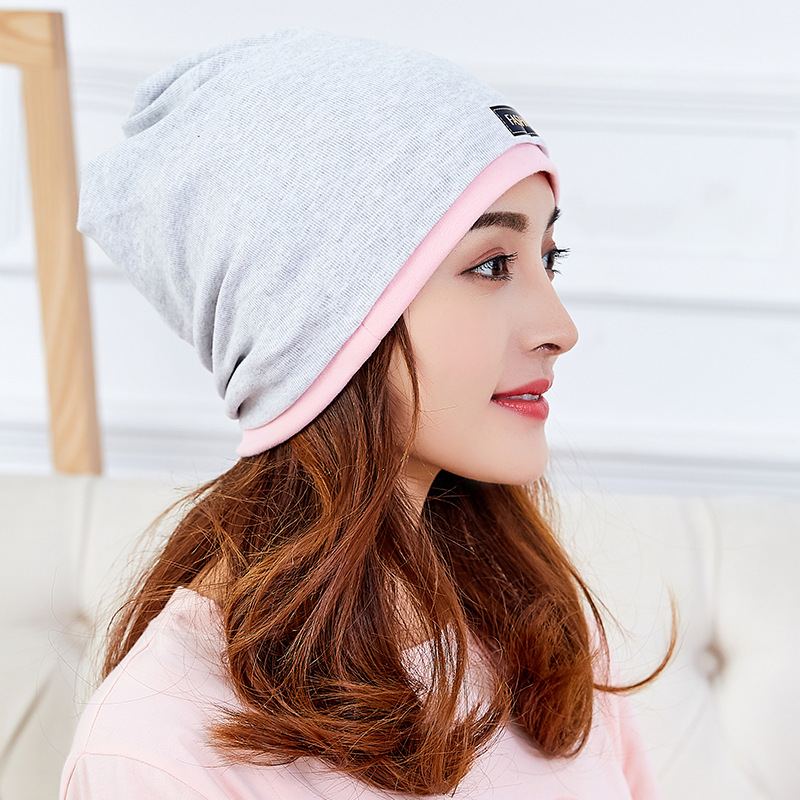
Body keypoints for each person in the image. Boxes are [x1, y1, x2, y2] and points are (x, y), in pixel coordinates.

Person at [60, 28, 671, 799]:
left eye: (550, 261)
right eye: (492, 264)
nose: (560, 327)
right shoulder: (162, 747)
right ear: (315, 322)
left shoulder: (541, 628)